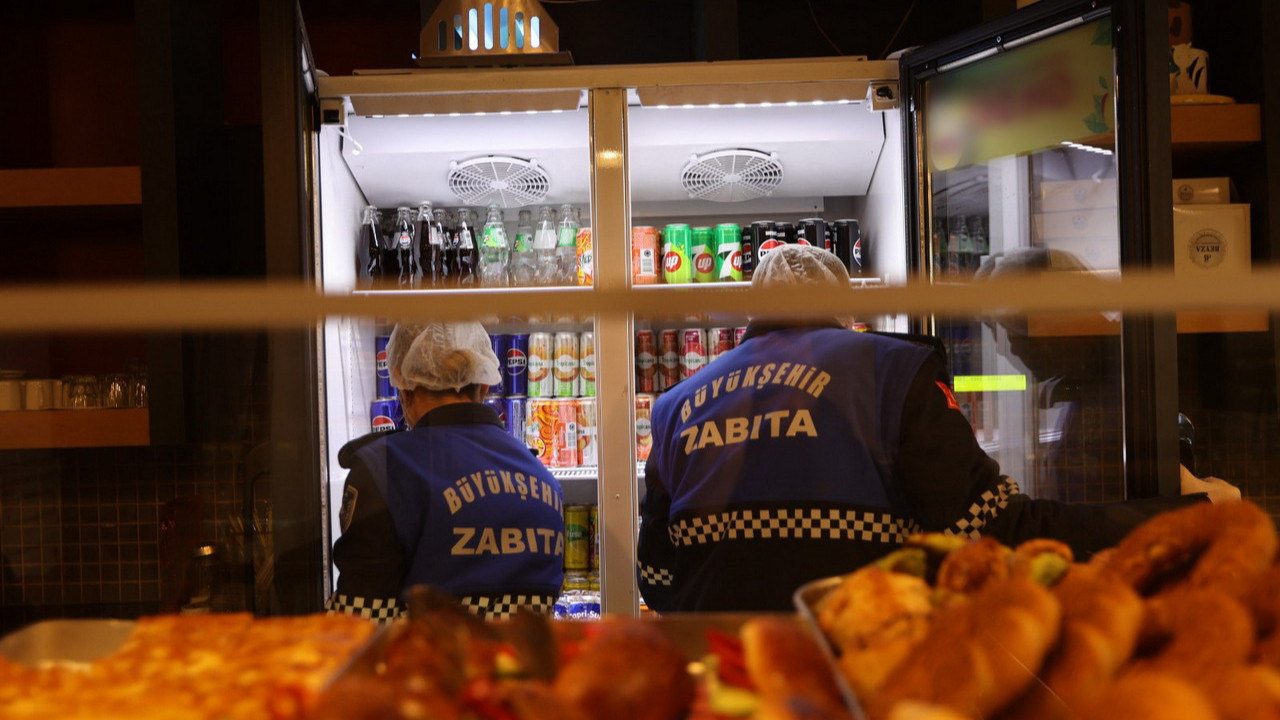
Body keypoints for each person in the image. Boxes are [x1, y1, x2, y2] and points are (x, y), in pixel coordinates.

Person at [637, 244, 1232, 613]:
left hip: (727, 671)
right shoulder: (890, 369)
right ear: (847, 313)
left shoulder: (674, 407)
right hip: (855, 666)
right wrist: (1195, 513)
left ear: (751, 312)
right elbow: (993, 531)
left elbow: (658, 579)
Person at [329, 321, 566, 621]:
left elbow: (359, 621)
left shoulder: (385, 469)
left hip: (425, 666)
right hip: (521, 666)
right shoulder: (543, 478)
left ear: (403, 384)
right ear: (484, 384)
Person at [972, 247, 1240, 504]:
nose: (1012, 348)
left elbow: (1181, 493)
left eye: (1016, 332)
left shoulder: (1137, 371)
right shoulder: (1090, 375)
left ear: (1057, 317)